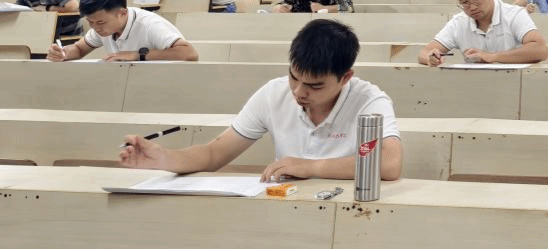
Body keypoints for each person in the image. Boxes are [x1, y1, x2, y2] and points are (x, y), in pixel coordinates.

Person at [120, 18, 402, 182]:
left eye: (314, 86)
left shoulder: (369, 101)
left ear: (345, 77)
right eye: (294, 77)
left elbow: (389, 163)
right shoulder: (273, 93)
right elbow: (215, 153)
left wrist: (311, 167)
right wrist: (165, 157)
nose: (299, 92)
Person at [417, 0, 548, 65]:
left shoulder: (514, 15)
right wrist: (431, 57)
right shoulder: (459, 22)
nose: (472, 7)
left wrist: (492, 57)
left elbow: (540, 49)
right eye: (464, 2)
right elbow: (424, 52)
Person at [45, 0, 198, 62]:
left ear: (122, 13)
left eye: (100, 22)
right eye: (90, 22)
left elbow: (189, 53)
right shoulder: (101, 28)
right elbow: (79, 49)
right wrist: (63, 53)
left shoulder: (150, 25)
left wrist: (137, 55)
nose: (95, 28)